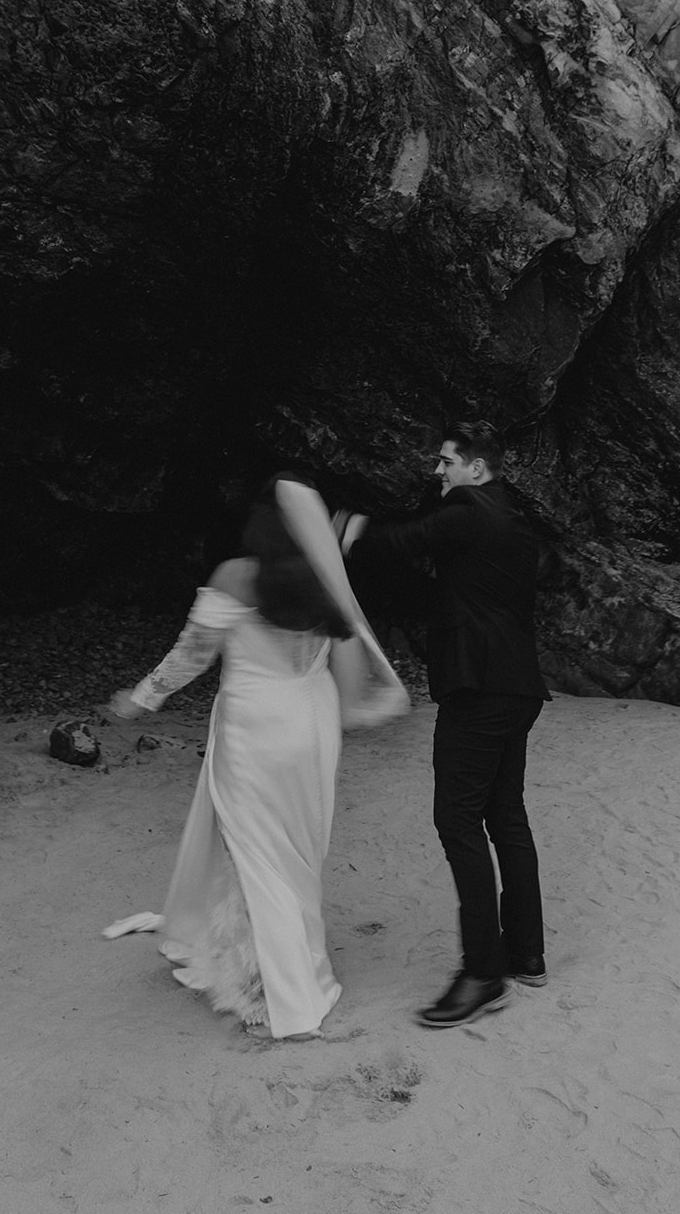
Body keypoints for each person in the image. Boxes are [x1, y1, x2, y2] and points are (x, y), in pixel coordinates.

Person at [103, 474, 407, 1041]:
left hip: (255, 726)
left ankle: (273, 993)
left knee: (254, 853)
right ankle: (292, 959)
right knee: (295, 851)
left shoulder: (236, 576)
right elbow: (348, 680)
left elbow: (192, 654)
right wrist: (361, 710)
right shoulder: (325, 581)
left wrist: (141, 699)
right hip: (312, 724)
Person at [342, 420, 550, 1030]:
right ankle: (527, 954)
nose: (438, 472)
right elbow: (460, 588)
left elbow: (404, 540)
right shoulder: (514, 522)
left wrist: (347, 531)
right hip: (518, 685)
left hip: (479, 690)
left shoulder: (468, 510)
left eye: (446, 461)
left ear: (476, 468)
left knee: (457, 821)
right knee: (505, 816)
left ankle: (482, 974)